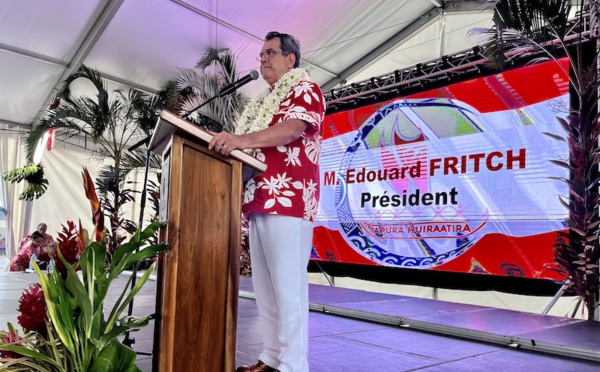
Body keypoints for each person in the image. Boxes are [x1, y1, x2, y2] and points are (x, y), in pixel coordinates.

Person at [209, 31, 325, 372]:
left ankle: (292, 365)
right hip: (258, 199)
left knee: (288, 288)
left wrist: (239, 140)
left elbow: (291, 130)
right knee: (266, 287)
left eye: (270, 53)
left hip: (288, 199)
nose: (262, 59)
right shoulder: (263, 101)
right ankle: (273, 356)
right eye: (260, 54)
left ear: (291, 59)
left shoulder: (306, 89)